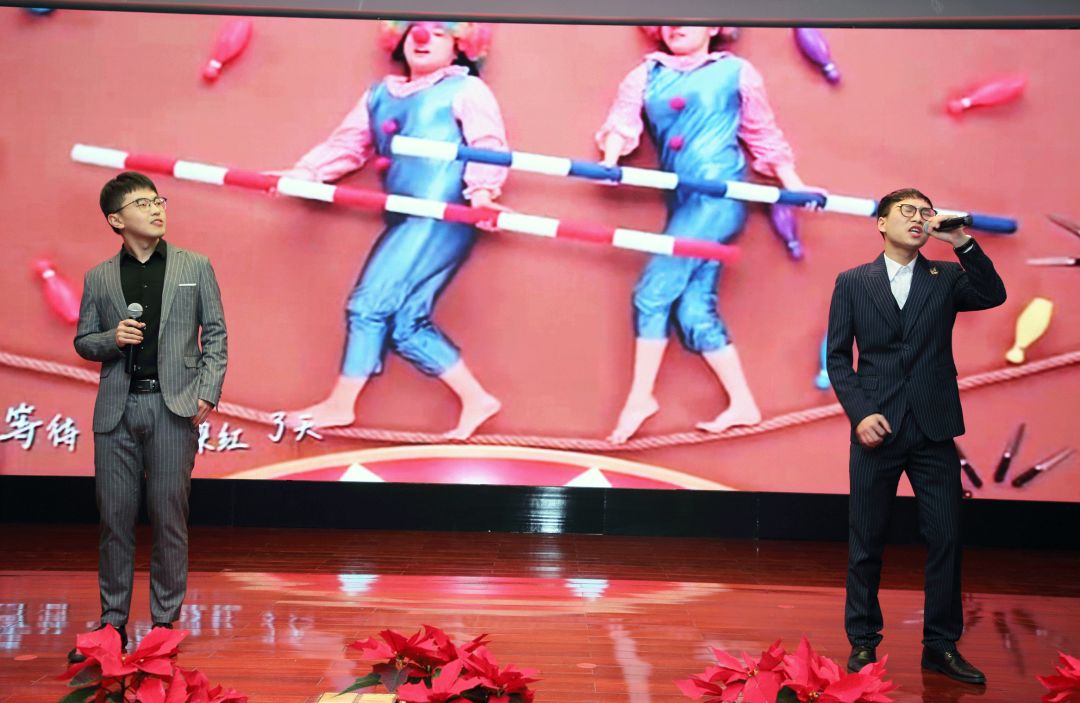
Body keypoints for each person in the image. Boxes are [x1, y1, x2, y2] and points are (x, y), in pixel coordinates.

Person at [278, 21, 507, 439]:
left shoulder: (466, 89)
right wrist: (305, 172)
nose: (423, 37)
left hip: (440, 214)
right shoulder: (379, 95)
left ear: (460, 45)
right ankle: (477, 399)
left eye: (439, 33)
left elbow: (487, 144)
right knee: (405, 323)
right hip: (404, 215)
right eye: (415, 29)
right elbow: (347, 145)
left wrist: (482, 192)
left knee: (367, 305)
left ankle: (340, 404)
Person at [596, 25, 821, 444]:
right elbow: (621, 122)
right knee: (693, 312)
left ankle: (640, 398)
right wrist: (610, 161)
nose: (676, 24)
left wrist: (794, 184)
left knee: (652, 294)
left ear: (714, 25)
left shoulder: (737, 72)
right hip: (683, 203)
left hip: (719, 198)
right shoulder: (645, 75)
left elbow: (762, 133)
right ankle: (743, 404)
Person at [826, 187, 1006, 685]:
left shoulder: (945, 277)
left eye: (925, 212)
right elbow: (838, 358)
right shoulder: (853, 282)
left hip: (934, 428)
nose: (919, 218)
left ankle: (941, 646)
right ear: (881, 223)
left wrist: (961, 241)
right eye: (907, 211)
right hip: (876, 430)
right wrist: (861, 413)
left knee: (946, 537)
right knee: (867, 539)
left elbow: (993, 294)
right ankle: (863, 641)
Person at [71, 171, 227, 661]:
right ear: (116, 220)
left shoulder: (194, 265)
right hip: (116, 411)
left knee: (168, 518)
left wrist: (207, 392)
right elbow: (83, 341)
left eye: (159, 201)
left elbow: (215, 335)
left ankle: (163, 624)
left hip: (172, 407)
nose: (156, 209)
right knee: (114, 520)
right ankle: (112, 624)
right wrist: (111, 339)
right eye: (142, 203)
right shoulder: (99, 277)